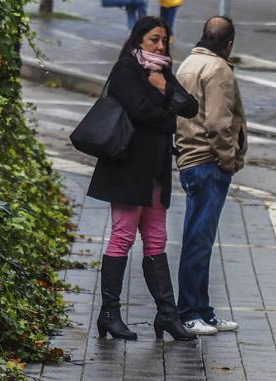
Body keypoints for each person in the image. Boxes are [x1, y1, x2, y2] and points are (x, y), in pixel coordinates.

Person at [87, 17, 199, 341]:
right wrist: (168, 113)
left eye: (164, 40)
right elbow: (141, 111)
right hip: (127, 171)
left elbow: (189, 107)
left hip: (155, 173)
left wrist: (165, 89)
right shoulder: (126, 70)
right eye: (154, 40)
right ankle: (109, 314)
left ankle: (167, 315)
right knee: (122, 237)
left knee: (156, 241)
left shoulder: (161, 72)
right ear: (138, 40)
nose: (160, 46)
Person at [174, 16, 247, 335]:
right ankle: (190, 311)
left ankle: (202, 310)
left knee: (198, 237)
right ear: (229, 44)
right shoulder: (218, 69)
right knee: (199, 239)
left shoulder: (188, 63)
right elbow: (218, 123)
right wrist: (229, 159)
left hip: (190, 157)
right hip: (208, 161)